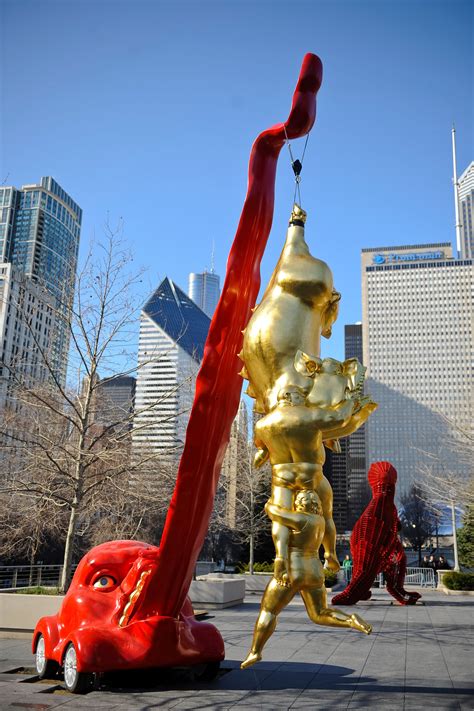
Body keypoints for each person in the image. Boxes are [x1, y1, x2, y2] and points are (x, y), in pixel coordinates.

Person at [241, 490, 371, 669]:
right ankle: (350, 620)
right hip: (315, 571)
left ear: (301, 503)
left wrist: (273, 496)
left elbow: (273, 511)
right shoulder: (320, 522)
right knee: (319, 613)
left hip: (293, 570)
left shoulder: (300, 519)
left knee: (269, 611)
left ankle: (255, 651)